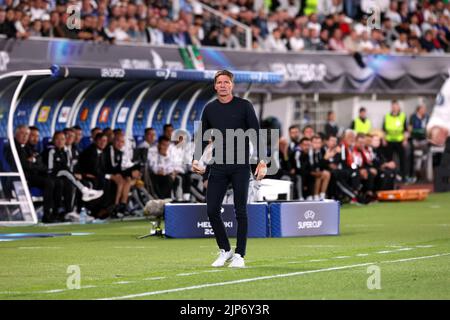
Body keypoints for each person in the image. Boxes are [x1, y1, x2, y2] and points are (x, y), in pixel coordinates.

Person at [192, 70, 267, 268]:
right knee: (211, 210)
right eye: (220, 82)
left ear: (232, 85)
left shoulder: (244, 106)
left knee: (240, 211)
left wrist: (262, 161)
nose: (223, 85)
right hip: (218, 165)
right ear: (215, 86)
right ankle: (225, 250)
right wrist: (195, 159)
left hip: (240, 166)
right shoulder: (209, 109)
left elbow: (257, 134)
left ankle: (240, 255)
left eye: (227, 82)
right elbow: (202, 136)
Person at [383, 100, 409, 181]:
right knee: (389, 159)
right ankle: (390, 176)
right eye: (393, 106)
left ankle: (403, 177)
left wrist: (405, 140)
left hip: (399, 141)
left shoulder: (402, 116)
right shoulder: (387, 116)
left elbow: (406, 130)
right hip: (389, 140)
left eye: (396, 106)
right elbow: (384, 130)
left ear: (398, 107)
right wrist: (384, 139)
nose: (394, 107)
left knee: (402, 159)